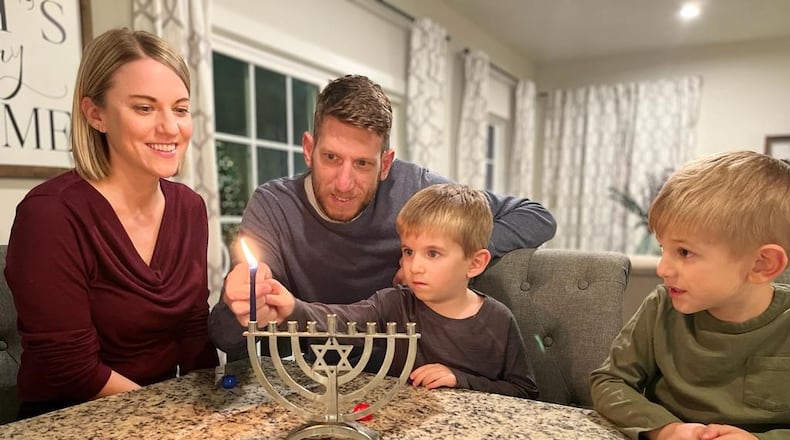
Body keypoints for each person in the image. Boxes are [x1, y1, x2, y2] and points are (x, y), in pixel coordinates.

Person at [209, 74, 557, 355]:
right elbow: (227, 340)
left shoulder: (419, 189)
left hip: (403, 372)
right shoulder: (273, 206)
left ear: (386, 164)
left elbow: (536, 216)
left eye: (362, 163)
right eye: (331, 158)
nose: (344, 183)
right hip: (303, 374)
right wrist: (239, 307)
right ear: (309, 149)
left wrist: (452, 254)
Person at [5, 28, 218, 419]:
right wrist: (170, 417)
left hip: (161, 409)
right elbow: (72, 369)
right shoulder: (49, 214)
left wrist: (212, 408)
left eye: (181, 108)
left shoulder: (190, 207)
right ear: (95, 114)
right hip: (67, 418)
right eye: (144, 107)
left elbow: (191, 331)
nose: (171, 127)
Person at [256, 183, 538, 398]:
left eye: (433, 254)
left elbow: (525, 391)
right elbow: (341, 319)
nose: (414, 266)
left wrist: (460, 379)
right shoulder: (394, 304)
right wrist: (292, 307)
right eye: (408, 251)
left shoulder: (499, 320)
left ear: (475, 263)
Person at [590, 151, 790, 440]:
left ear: (762, 264)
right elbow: (609, 381)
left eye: (684, 252)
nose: (663, 268)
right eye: (663, 248)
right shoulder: (661, 307)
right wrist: (666, 429)